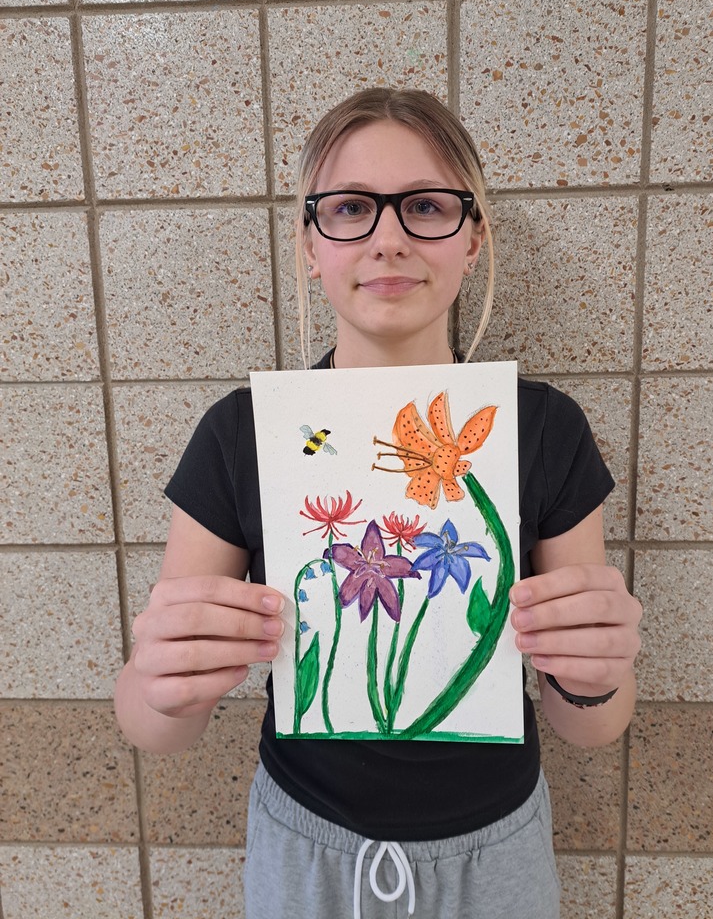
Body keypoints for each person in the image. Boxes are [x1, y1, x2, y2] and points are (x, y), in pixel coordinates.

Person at [115, 88, 642, 919]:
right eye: (351, 208)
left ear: (473, 240)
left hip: (499, 847)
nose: (389, 238)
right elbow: (155, 728)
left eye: (427, 207)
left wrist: (596, 678)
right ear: (309, 245)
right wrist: (159, 683)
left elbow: (591, 724)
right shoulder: (242, 432)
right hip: (304, 841)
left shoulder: (543, 429)